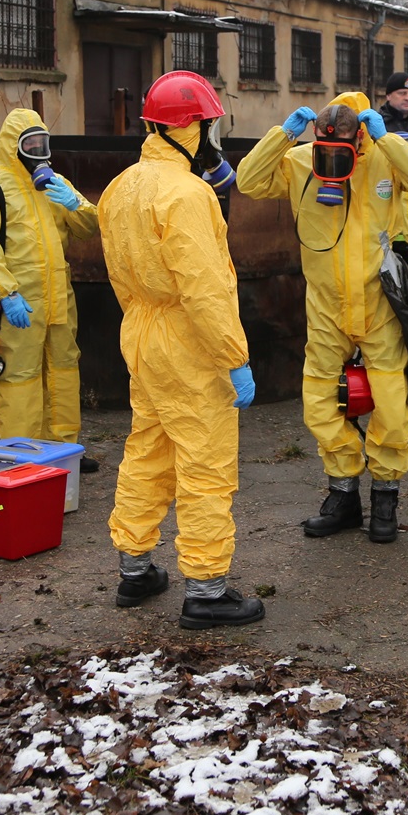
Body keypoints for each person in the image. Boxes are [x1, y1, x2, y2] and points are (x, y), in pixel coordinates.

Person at [237, 92, 408, 543]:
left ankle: (385, 496)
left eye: (346, 141)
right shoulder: (301, 161)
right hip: (326, 303)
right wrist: (282, 135)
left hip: (380, 300)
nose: (336, 151)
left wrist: (388, 141)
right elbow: (248, 181)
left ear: (362, 132)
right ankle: (343, 494)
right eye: (327, 141)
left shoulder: (384, 159)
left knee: (391, 399)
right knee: (321, 399)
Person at [99, 72, 263, 629]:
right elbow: (205, 287)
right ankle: (207, 587)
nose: (211, 135)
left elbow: (120, 274)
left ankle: (135, 566)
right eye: (208, 125)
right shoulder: (188, 193)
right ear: (190, 128)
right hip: (189, 338)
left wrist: (143, 326)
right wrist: (234, 356)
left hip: (141, 331)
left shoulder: (121, 186)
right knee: (205, 460)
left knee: (148, 446)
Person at [0, 109, 100, 466]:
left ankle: (63, 453)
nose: (37, 150)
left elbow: (88, 227)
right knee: (19, 378)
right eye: (30, 143)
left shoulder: (54, 183)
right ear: (13, 145)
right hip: (17, 302)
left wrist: (75, 205)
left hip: (57, 299)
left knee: (63, 371)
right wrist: (6, 293)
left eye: (42, 142)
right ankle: (21, 457)